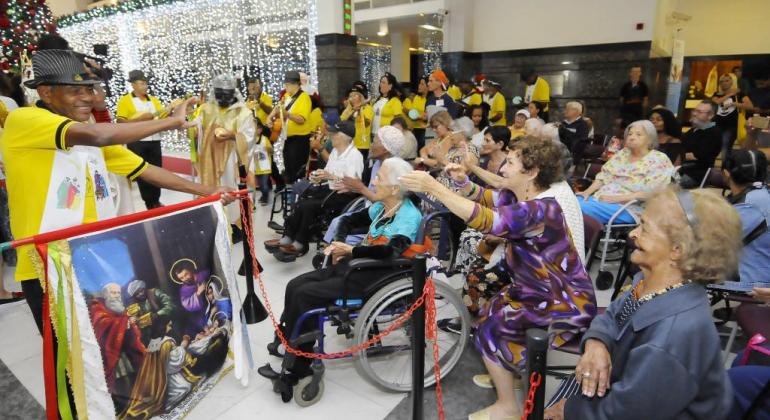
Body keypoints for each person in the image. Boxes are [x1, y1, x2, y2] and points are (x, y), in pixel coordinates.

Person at [0, 50, 231, 338]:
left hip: (95, 264)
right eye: (76, 91)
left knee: (109, 358)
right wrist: (171, 122)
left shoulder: (85, 130)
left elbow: (145, 170)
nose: (90, 97)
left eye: (90, 89)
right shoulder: (24, 120)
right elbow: (102, 136)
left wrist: (208, 190)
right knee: (71, 366)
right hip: (48, 268)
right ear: (46, 91)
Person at [400, 138, 596, 420]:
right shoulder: (520, 197)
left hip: (562, 300)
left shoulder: (541, 210)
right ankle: (512, 371)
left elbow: (488, 220)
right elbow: (486, 198)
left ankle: (507, 405)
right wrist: (462, 182)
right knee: (487, 309)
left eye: (511, 163)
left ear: (532, 172)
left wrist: (434, 187)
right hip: (536, 291)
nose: (503, 168)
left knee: (492, 325)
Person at [545, 187, 740, 420]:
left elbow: (628, 414)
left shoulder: (673, 335)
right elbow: (612, 315)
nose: (633, 234)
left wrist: (568, 410)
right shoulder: (650, 285)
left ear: (677, 250)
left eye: (644, 228)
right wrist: (597, 343)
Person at [260, 158, 421, 397]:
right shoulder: (383, 206)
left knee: (306, 295)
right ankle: (291, 343)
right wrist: (342, 243)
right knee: (295, 284)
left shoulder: (408, 215)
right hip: (358, 266)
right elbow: (348, 220)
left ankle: (299, 368)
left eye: (379, 178)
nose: (373, 181)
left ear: (396, 189)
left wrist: (351, 251)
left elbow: (390, 252)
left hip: (377, 277)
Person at [264, 120, 363, 260]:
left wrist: (330, 176)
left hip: (344, 194)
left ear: (342, 137)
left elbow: (353, 185)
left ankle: (300, 242)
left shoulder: (355, 156)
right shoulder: (335, 152)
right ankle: (289, 236)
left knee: (308, 206)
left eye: (333, 134)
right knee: (302, 200)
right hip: (330, 189)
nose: (330, 136)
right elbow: (328, 172)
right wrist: (319, 177)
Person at [578, 120, 674, 224]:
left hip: (629, 208)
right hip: (600, 200)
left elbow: (653, 193)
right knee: (567, 202)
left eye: (638, 134)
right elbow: (603, 176)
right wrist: (586, 192)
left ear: (650, 139)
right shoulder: (623, 153)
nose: (632, 137)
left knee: (575, 208)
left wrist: (615, 199)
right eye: (630, 134)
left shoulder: (659, 159)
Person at [195, 74, 255, 226]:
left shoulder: (243, 113)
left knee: (230, 189)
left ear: (233, 92)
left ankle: (234, 225)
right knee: (209, 189)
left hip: (231, 161)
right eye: (219, 93)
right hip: (209, 160)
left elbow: (249, 137)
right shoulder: (205, 110)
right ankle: (211, 221)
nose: (222, 97)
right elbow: (197, 131)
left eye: (226, 94)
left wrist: (233, 136)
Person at [116, 69, 173, 210]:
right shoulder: (125, 101)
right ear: (133, 85)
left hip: (155, 140)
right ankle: (149, 202)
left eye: (145, 83)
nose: (145, 86)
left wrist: (170, 110)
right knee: (143, 173)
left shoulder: (153, 100)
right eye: (141, 83)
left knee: (157, 170)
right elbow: (120, 122)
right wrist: (140, 120)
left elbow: (162, 117)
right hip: (137, 141)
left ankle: (156, 200)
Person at [90, 283, 147, 402]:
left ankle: (142, 394)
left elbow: (128, 326)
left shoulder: (119, 308)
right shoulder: (97, 308)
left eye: (118, 293)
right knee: (120, 386)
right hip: (110, 353)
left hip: (126, 351)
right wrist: (126, 322)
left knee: (139, 366)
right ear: (105, 295)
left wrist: (131, 323)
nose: (116, 296)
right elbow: (102, 324)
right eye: (113, 293)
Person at [723, 149, 770, 282]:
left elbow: (715, 241)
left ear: (726, 174)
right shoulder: (762, 193)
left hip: (754, 281)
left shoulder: (750, 204)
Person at [267, 71, 313, 185]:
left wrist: (287, 114)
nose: (285, 87)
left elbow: (301, 120)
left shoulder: (304, 97)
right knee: (288, 168)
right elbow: (277, 108)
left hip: (300, 140)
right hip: (288, 139)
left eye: (287, 85)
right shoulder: (287, 96)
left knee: (297, 170)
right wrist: (270, 117)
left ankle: (297, 194)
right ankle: (290, 192)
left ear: (296, 84)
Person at [679, 100, 722, 188]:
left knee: (668, 182)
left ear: (710, 116)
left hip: (696, 174)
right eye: (695, 110)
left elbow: (697, 156)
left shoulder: (713, 132)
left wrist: (679, 154)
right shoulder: (694, 130)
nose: (694, 114)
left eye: (699, 112)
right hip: (683, 169)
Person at [712, 73, 753, 160]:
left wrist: (734, 103)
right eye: (721, 81)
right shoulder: (716, 94)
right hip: (717, 125)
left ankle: (725, 169)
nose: (724, 83)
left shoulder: (740, 94)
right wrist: (730, 94)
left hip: (732, 126)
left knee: (726, 145)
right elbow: (715, 102)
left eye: (727, 80)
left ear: (732, 81)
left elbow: (750, 106)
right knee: (714, 146)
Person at [125, 279, 175, 343]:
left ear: (144, 288)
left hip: (167, 321)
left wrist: (157, 314)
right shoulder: (135, 305)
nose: (140, 294)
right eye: (137, 294)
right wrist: (134, 319)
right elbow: (132, 319)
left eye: (141, 290)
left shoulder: (154, 292)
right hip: (153, 331)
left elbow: (169, 305)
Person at [340, 84, 374, 155]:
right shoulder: (348, 109)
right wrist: (353, 111)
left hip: (362, 145)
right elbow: (342, 123)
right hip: (349, 144)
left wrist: (359, 112)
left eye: (355, 95)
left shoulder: (367, 108)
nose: (352, 98)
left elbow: (367, 124)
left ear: (360, 96)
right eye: (351, 96)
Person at [371, 72, 403, 143]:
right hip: (374, 135)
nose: (380, 84)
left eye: (383, 83)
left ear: (390, 86)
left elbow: (398, 121)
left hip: (386, 136)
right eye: (380, 82)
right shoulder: (377, 100)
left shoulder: (395, 101)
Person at [248, 118, 273, 206]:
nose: (256, 130)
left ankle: (266, 197)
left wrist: (268, 149)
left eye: (258, 128)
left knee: (264, 184)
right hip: (256, 167)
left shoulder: (265, 139)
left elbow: (271, 151)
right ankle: (264, 195)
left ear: (261, 129)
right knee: (260, 185)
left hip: (265, 166)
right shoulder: (250, 139)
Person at [558, 101, 590, 165]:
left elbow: (578, 142)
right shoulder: (563, 123)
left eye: (568, 109)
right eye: (565, 109)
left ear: (577, 111)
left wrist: (563, 130)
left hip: (573, 155)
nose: (565, 111)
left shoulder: (582, 124)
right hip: (560, 151)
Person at [404, 76, 429, 150]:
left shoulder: (430, 99)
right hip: (415, 129)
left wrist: (408, 111)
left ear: (428, 87)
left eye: (422, 84)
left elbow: (425, 117)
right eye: (419, 84)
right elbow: (413, 114)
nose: (419, 86)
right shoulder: (416, 98)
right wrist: (415, 115)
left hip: (425, 130)